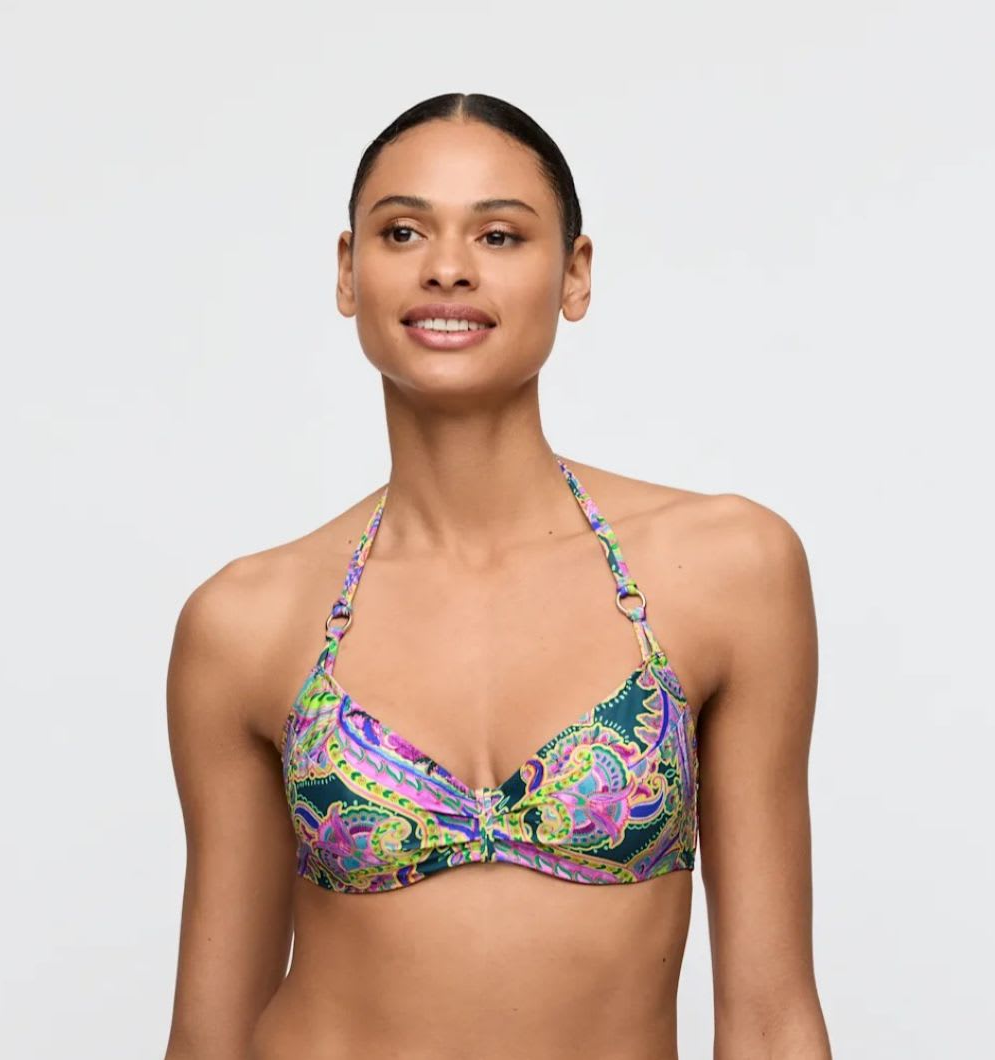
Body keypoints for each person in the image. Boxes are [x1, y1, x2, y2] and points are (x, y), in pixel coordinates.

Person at [163, 92, 832, 1060]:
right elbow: (208, 1038)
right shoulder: (246, 620)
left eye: (500, 235)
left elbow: (771, 1020)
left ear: (574, 273)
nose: (447, 267)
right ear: (348, 271)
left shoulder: (728, 569)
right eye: (402, 231)